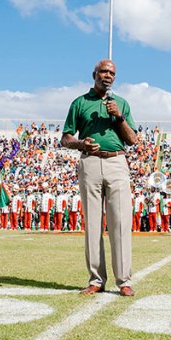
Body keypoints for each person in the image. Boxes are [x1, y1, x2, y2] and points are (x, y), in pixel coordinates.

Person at [61, 59, 139, 297]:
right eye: (103, 71)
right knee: (93, 224)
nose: (108, 76)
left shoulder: (121, 103)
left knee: (120, 222)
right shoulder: (79, 103)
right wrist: (80, 143)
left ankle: (124, 280)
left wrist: (119, 117)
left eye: (112, 73)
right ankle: (96, 279)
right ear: (94, 74)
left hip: (117, 161)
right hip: (90, 162)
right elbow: (65, 139)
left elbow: (132, 140)